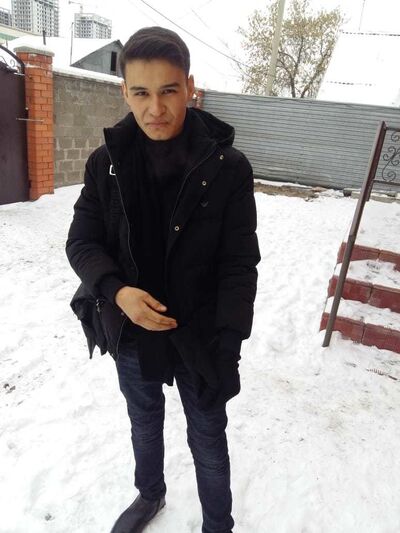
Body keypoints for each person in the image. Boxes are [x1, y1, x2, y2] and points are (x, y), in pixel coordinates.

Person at [66, 26, 260, 533]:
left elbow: (240, 264)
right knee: (144, 421)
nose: (155, 108)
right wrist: (117, 292)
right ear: (124, 92)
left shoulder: (228, 168)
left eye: (169, 90)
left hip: (201, 335)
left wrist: (229, 343)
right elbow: (81, 242)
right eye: (141, 93)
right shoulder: (106, 164)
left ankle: (218, 525)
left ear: (190, 87)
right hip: (132, 330)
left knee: (208, 439)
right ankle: (149, 495)